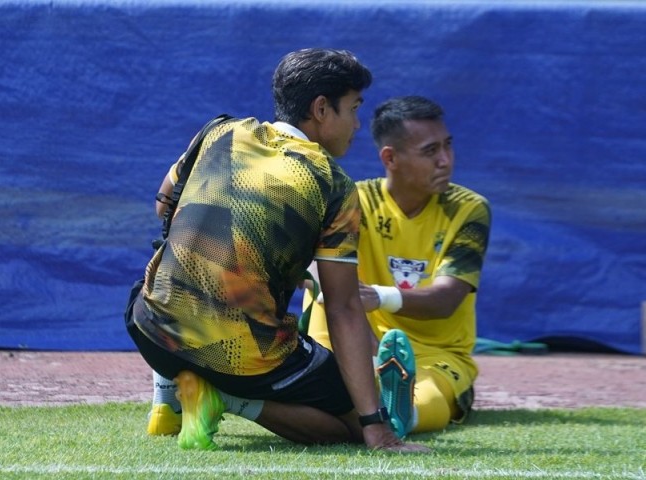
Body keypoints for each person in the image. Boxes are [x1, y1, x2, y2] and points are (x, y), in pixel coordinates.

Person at [126, 48, 428, 453]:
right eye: (354, 109)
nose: (357, 124)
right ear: (322, 109)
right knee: (352, 423)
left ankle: (170, 383)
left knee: (170, 280)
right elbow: (342, 309)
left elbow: (164, 204)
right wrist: (374, 426)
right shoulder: (332, 183)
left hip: (147, 324)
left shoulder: (220, 130)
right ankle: (224, 397)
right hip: (237, 353)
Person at [305, 95, 491, 438]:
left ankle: (395, 414)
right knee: (321, 287)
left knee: (431, 398)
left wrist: (379, 297)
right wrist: (362, 335)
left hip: (436, 355)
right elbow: (314, 271)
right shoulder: (353, 201)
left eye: (447, 147)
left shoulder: (469, 210)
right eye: (430, 151)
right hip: (358, 345)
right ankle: (351, 383)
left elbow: (447, 298)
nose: (445, 161)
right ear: (390, 158)